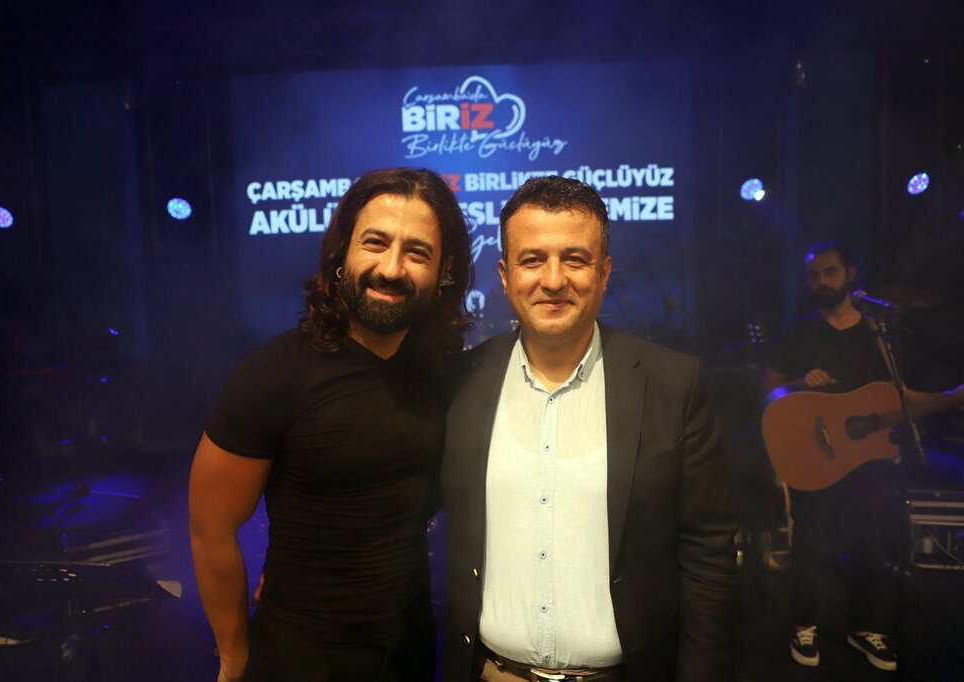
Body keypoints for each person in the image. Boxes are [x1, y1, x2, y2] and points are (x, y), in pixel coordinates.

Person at [442, 177, 738, 682]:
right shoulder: (461, 382)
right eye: (532, 260)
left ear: (604, 272)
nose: (553, 279)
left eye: (575, 259)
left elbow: (709, 551)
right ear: (505, 274)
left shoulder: (672, 383)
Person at [189, 168, 472, 682]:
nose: (391, 268)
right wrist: (232, 656)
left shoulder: (447, 375)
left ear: (444, 271)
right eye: (375, 243)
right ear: (342, 252)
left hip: (410, 656)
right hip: (297, 661)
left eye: (416, 252)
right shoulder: (274, 373)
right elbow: (210, 527)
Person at [764, 240, 963, 672]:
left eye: (830, 272)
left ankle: (867, 628)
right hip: (815, 459)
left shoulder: (879, 334)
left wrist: (950, 398)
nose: (821, 281)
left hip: (868, 461)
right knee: (810, 545)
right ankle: (804, 625)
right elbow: (769, 391)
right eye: (813, 275)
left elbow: (899, 397)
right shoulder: (798, 332)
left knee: (872, 543)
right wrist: (798, 383)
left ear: (850, 274)